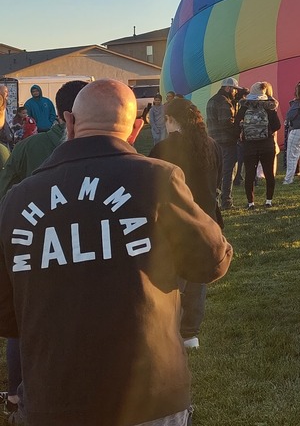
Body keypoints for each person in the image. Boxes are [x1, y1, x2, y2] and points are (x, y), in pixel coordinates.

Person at [0, 79, 232, 425]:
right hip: (149, 395)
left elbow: (7, 316)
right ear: (136, 129)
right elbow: (212, 261)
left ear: (70, 122)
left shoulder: (17, 199)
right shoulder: (157, 178)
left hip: (54, 399)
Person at [0, 79, 90, 414]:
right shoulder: (116, 161)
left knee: (24, 322)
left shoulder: (25, 147)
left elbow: (5, 189)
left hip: (30, 238)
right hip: (84, 240)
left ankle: (16, 393)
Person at [149, 96, 222, 349]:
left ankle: (167, 328)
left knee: (170, 280)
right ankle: (190, 333)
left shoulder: (162, 150)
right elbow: (217, 184)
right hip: (207, 220)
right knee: (197, 280)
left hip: (173, 222)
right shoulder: (212, 146)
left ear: (170, 120)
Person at [235, 81, 282, 209]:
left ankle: (251, 203)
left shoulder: (244, 107)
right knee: (268, 173)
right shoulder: (268, 107)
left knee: (249, 173)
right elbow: (277, 125)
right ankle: (268, 201)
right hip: (267, 145)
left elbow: (236, 124)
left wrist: (242, 132)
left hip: (249, 145)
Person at [207, 77, 244, 209]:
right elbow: (226, 123)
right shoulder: (224, 102)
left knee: (217, 172)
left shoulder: (212, 100)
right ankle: (226, 201)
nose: (235, 93)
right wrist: (238, 131)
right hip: (226, 141)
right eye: (234, 90)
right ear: (228, 88)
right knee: (228, 172)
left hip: (213, 140)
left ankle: (213, 201)